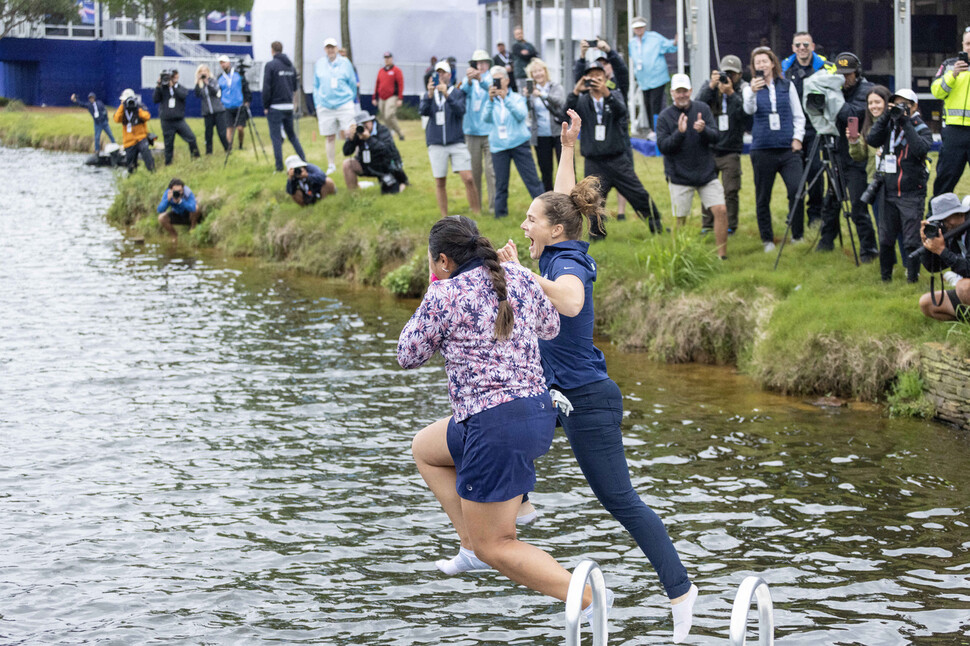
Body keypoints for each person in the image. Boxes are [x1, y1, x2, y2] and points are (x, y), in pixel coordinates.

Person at [496, 109, 698, 643]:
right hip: (552, 393)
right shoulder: (558, 241)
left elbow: (570, 299)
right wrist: (567, 150)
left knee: (620, 501)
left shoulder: (568, 267)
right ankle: (510, 511)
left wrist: (519, 274)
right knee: (493, 420)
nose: (525, 224)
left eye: (531, 221)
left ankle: (680, 590)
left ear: (555, 232)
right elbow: (558, 203)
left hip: (586, 398)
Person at [400, 215, 609, 622]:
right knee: (425, 449)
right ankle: (469, 545)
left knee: (498, 545)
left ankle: (586, 598)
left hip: (493, 426)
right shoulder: (519, 277)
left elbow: (408, 355)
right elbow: (549, 329)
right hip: (534, 415)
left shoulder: (444, 295)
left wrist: (434, 290)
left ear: (442, 260)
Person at [566, 59, 662, 235]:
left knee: (638, 194)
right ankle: (597, 235)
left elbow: (622, 112)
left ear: (605, 78)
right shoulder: (582, 100)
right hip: (594, 161)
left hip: (617, 159)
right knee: (592, 201)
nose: (595, 79)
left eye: (599, 76)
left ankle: (657, 226)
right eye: (591, 76)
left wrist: (606, 94)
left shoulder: (614, 95)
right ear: (585, 79)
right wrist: (575, 92)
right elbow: (563, 114)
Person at [657, 74, 729, 259]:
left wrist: (703, 130)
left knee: (720, 210)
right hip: (679, 176)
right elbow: (663, 147)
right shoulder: (665, 117)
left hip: (706, 174)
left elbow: (716, 137)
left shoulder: (702, 109)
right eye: (678, 91)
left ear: (690, 91)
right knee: (680, 219)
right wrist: (679, 133)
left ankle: (722, 256)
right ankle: (679, 257)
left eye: (685, 91)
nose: (682, 95)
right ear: (672, 93)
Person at [816, 52, 879, 261]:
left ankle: (868, 250)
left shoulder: (866, 91)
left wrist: (833, 95)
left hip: (856, 157)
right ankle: (826, 242)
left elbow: (851, 114)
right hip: (836, 153)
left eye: (848, 75)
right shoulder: (837, 88)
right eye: (840, 75)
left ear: (857, 73)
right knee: (831, 201)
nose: (844, 79)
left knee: (858, 206)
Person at [865, 89, 932, 282]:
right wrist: (887, 114)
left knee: (911, 240)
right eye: (897, 104)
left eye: (905, 105)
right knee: (885, 239)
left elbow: (920, 149)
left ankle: (912, 278)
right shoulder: (889, 126)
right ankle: (885, 278)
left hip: (912, 193)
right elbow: (871, 139)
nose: (901, 109)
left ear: (915, 106)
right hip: (889, 191)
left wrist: (906, 122)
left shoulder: (920, 127)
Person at [742, 47, 805, 252]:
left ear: (772, 63)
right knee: (763, 196)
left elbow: (798, 114)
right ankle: (767, 239)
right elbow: (748, 110)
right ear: (754, 67)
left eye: (764, 61)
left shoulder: (787, 86)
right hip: (763, 149)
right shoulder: (749, 89)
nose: (761, 65)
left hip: (787, 148)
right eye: (757, 62)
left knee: (796, 190)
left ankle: (797, 235)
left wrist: (797, 138)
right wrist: (752, 92)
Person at [848, 85, 906, 270]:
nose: (873, 106)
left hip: (897, 181)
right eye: (870, 103)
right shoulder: (867, 126)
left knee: (902, 227)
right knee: (883, 227)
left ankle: (908, 265)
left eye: (877, 102)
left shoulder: (896, 122)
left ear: (886, 103)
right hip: (876, 182)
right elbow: (859, 156)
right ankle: (890, 265)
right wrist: (854, 142)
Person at [782, 32, 835, 228]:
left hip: (817, 128)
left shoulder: (826, 67)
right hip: (794, 129)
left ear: (812, 46)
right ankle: (793, 214)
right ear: (793, 47)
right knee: (794, 175)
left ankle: (815, 214)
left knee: (815, 172)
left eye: (805, 44)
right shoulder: (784, 68)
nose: (802, 48)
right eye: (798, 45)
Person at [419, 60, 481, 217]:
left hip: (456, 141)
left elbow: (460, 110)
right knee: (440, 181)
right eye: (437, 72)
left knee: (468, 178)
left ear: (449, 74)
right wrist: (429, 95)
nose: (439, 75)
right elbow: (423, 111)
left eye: (442, 72)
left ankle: (476, 212)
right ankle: (443, 216)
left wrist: (447, 94)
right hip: (436, 142)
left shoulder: (457, 92)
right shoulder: (429, 93)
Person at [483, 66, 545, 219]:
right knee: (501, 184)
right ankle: (500, 215)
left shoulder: (516, 97)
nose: (496, 83)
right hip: (499, 146)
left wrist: (506, 99)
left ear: (507, 80)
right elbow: (485, 118)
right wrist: (491, 100)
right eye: (494, 80)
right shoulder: (490, 99)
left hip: (519, 144)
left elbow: (521, 115)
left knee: (532, 180)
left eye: (499, 79)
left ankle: (545, 211)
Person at [697, 55, 749, 235]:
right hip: (710, 148)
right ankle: (707, 224)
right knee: (707, 188)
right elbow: (698, 105)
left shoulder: (742, 89)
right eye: (725, 73)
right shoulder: (711, 87)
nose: (728, 77)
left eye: (732, 74)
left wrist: (731, 94)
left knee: (731, 190)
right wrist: (712, 86)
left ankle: (731, 225)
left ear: (740, 75)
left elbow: (745, 114)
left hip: (731, 150)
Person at [931, 28, 970, 196]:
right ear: (962, 45)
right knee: (945, 179)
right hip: (954, 132)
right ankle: (936, 219)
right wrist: (953, 75)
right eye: (968, 43)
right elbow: (936, 91)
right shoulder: (949, 65)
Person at [458, 50, 498, 213]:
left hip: (489, 130)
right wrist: (468, 80)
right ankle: (476, 207)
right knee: (474, 171)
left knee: (491, 171)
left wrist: (479, 79)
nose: (480, 66)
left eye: (483, 63)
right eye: (477, 63)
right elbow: (461, 92)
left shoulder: (491, 77)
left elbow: (491, 89)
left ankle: (494, 207)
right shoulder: (467, 80)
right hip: (471, 131)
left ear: (488, 64)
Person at [919, 193, 970, 321]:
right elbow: (934, 267)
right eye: (940, 221)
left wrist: (942, 251)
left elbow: (968, 270)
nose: (945, 224)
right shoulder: (951, 233)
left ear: (960, 214)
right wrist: (928, 246)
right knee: (926, 303)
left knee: (964, 287)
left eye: (946, 219)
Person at [313, 38, 358, 175]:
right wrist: (318, 102)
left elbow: (352, 82)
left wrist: (350, 98)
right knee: (329, 136)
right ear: (325, 49)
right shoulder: (320, 64)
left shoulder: (345, 63)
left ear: (337, 48)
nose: (330, 50)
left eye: (332, 47)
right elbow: (316, 85)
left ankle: (356, 161)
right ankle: (331, 164)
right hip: (325, 106)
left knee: (351, 133)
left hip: (344, 103)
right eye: (328, 48)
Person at [628, 16, 677, 139]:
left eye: (640, 27)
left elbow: (669, 46)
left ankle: (657, 129)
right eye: (636, 28)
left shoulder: (654, 37)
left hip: (657, 77)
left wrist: (675, 41)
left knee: (655, 104)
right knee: (647, 105)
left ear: (644, 27)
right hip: (643, 80)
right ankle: (652, 129)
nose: (638, 29)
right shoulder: (632, 43)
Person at [262, 40, 307, 173]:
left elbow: (267, 87)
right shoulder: (290, 66)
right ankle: (303, 160)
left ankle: (279, 167)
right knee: (292, 136)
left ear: (272, 51)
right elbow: (294, 87)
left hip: (275, 106)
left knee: (276, 137)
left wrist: (266, 105)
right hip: (288, 106)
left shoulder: (270, 66)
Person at [342, 110, 408, 193]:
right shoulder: (359, 132)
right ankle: (353, 194)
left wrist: (369, 139)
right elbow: (346, 152)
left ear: (371, 121)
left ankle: (401, 182)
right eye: (361, 124)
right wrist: (350, 139)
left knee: (391, 192)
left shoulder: (383, 130)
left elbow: (385, 150)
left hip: (384, 166)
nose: (364, 126)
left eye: (365, 123)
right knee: (347, 164)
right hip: (366, 164)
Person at [525, 58, 566, 192]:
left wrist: (542, 95)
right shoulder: (530, 92)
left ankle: (569, 198)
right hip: (541, 136)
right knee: (546, 170)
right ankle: (548, 201)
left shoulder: (555, 86)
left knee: (565, 168)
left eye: (540, 70)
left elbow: (559, 101)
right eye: (534, 72)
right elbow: (528, 111)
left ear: (545, 71)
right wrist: (527, 97)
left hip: (558, 133)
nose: (538, 74)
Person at [152, 69, 200, 166]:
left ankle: (196, 158)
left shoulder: (180, 88)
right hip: (166, 121)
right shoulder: (162, 88)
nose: (171, 78)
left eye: (173, 76)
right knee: (168, 144)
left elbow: (182, 95)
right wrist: (158, 85)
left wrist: (173, 86)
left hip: (179, 120)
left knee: (191, 138)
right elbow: (155, 99)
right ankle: (168, 163)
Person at [113, 89, 155, 173]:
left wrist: (137, 109)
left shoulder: (139, 106)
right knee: (130, 163)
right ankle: (132, 176)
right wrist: (122, 106)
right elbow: (116, 119)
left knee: (147, 156)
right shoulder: (122, 109)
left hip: (141, 137)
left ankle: (152, 172)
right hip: (129, 140)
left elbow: (147, 117)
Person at [193, 64, 230, 155]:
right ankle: (209, 152)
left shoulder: (213, 81)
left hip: (218, 110)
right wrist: (198, 82)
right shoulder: (200, 84)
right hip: (207, 112)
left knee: (221, 132)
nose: (203, 73)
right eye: (201, 71)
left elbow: (215, 92)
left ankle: (227, 148)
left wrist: (207, 83)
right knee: (208, 133)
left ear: (208, 72)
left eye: (205, 71)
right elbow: (197, 94)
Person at [218, 55, 252, 151]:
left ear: (229, 63)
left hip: (239, 105)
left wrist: (247, 100)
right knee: (229, 128)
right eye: (221, 63)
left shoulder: (238, 75)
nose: (223, 65)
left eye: (224, 62)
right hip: (227, 106)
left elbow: (245, 88)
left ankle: (240, 144)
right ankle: (229, 148)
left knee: (240, 128)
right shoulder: (220, 78)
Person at [373, 51, 405, 141]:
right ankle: (393, 134)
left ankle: (395, 132)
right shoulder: (381, 71)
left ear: (391, 58)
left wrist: (400, 98)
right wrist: (374, 97)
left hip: (392, 96)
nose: (387, 60)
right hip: (381, 97)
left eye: (388, 58)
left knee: (388, 115)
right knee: (386, 117)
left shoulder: (396, 70)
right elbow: (377, 84)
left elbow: (400, 84)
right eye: (385, 58)